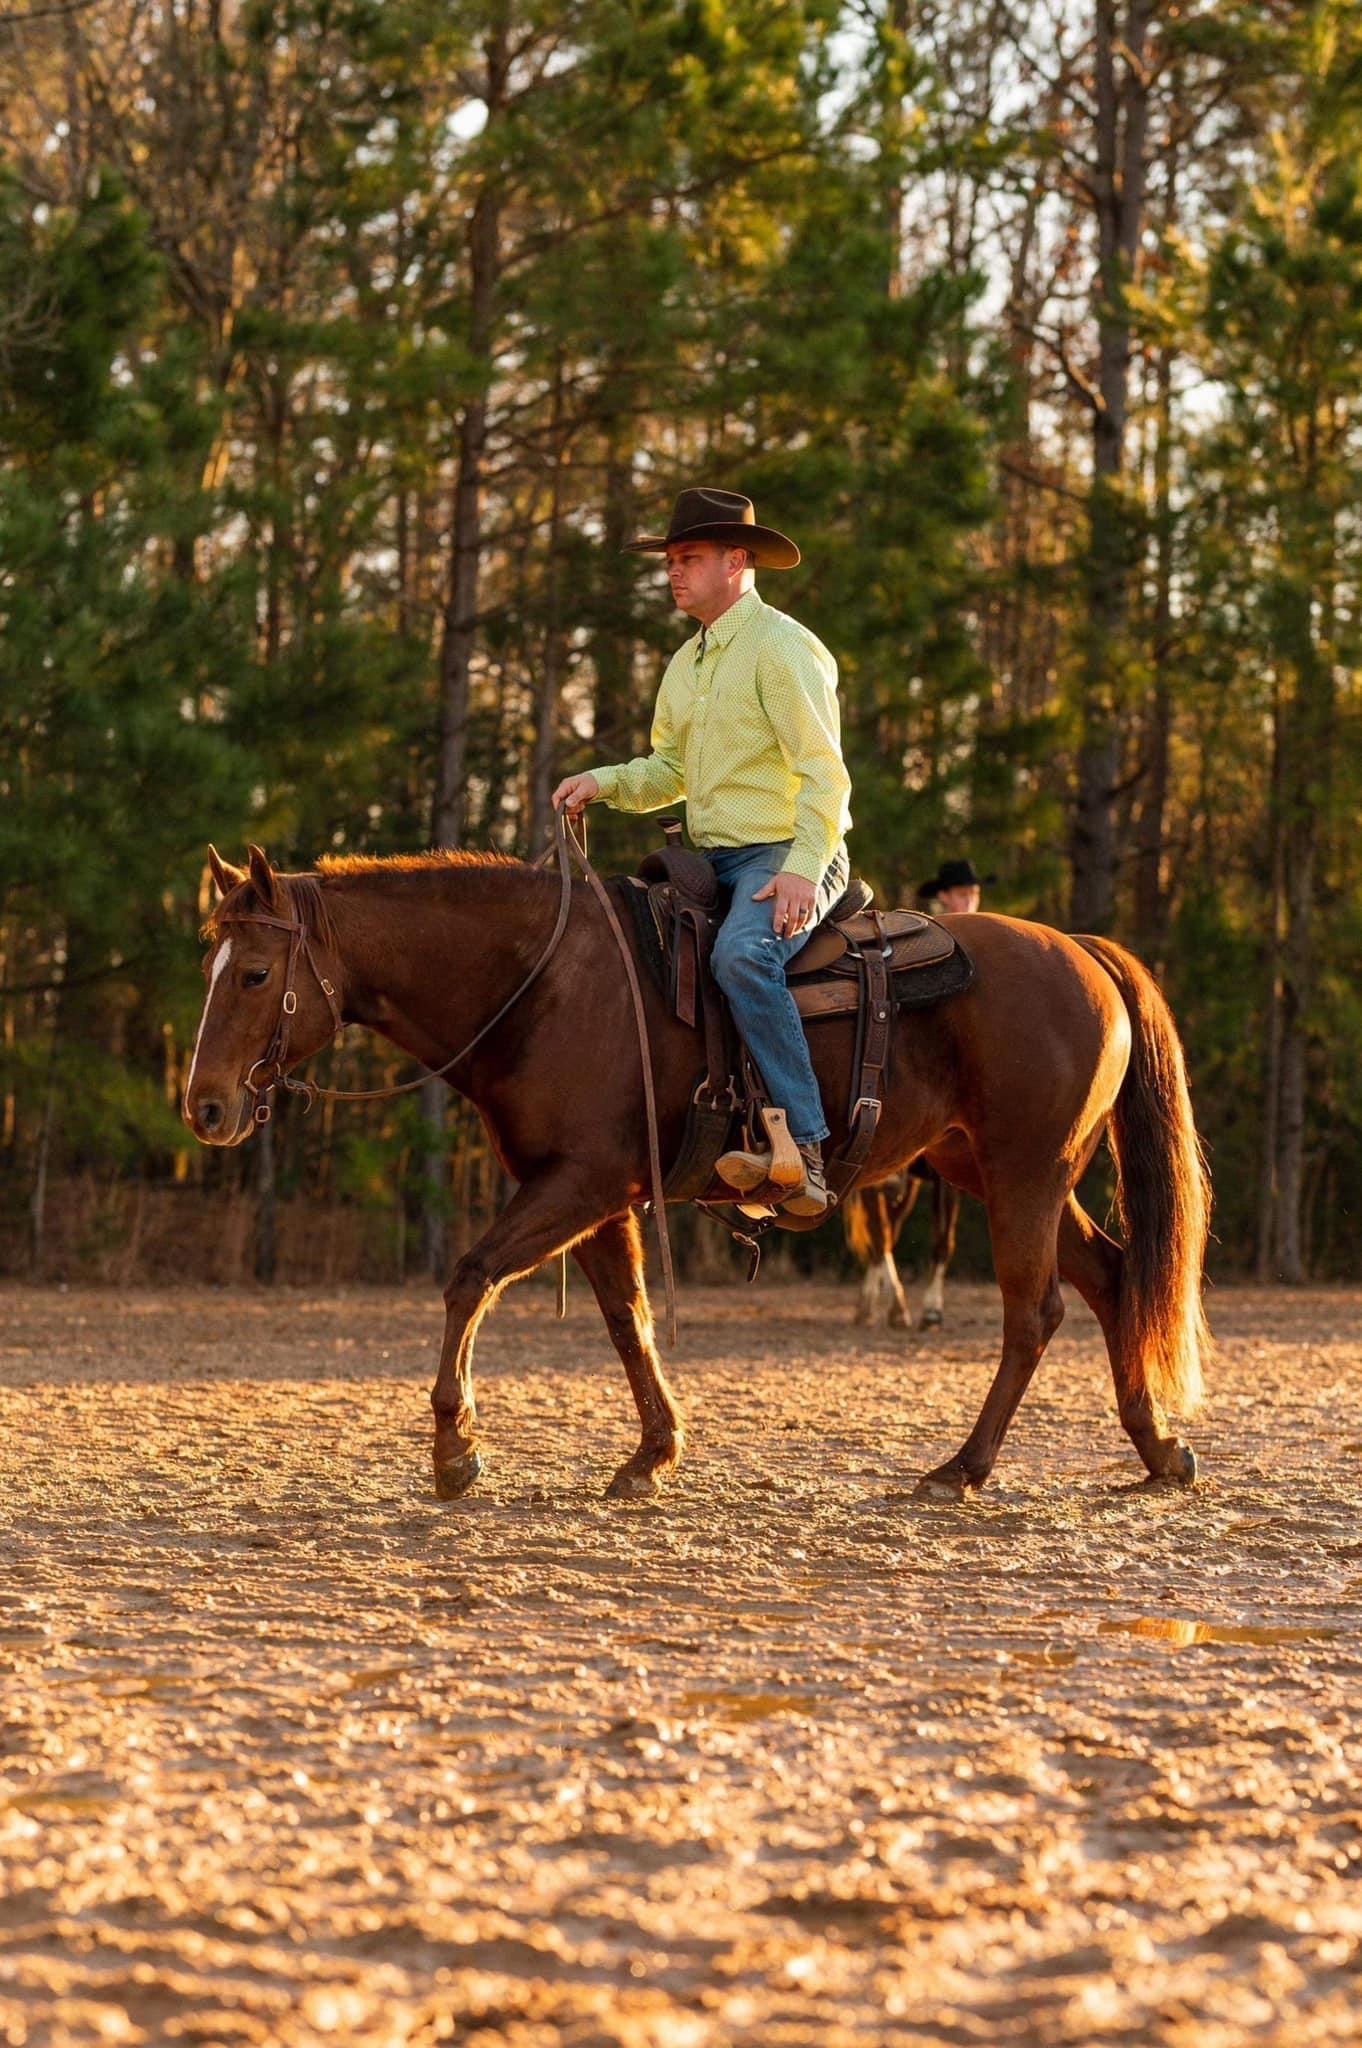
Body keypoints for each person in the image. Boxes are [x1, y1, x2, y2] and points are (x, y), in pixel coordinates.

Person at [553, 487, 851, 1218]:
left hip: (787, 849)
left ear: (738, 561)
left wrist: (800, 873)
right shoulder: (687, 665)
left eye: (688, 558)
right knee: (620, 956)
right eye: (671, 561)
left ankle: (806, 1150)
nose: (674, 573)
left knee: (742, 958)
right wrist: (603, 781)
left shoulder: (781, 649)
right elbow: (668, 775)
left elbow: (825, 773)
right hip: (710, 860)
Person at [917, 857, 991, 916]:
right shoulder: (936, 933)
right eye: (962, 894)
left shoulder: (987, 931)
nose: (969, 901)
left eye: (974, 893)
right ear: (944, 896)